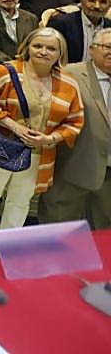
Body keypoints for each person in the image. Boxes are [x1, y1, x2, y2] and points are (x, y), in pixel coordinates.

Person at [0, 27, 85, 238]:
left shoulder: (69, 84)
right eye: (37, 46)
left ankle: (6, 247)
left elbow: (75, 121)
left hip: (39, 153)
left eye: (51, 48)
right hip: (1, 146)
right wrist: (14, 126)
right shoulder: (4, 72)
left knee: (20, 202)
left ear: (60, 53)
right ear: (27, 47)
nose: (43, 51)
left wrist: (50, 138)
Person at [38, 26, 111, 228]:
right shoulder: (69, 74)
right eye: (106, 47)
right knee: (57, 231)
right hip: (72, 167)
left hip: (108, 179)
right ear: (91, 49)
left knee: (102, 238)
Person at [49, 0, 111, 64]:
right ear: (81, 2)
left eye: (103, 2)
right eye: (91, 0)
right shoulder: (61, 23)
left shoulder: (109, 26)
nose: (97, 6)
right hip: (68, 73)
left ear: (109, 6)